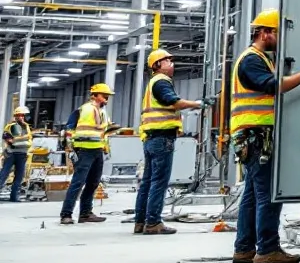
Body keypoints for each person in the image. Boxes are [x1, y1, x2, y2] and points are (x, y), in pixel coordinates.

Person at [230, 9, 300, 263]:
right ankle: (268, 249)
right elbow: (274, 85)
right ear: (264, 32)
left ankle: (244, 248)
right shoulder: (251, 60)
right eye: (277, 33)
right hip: (255, 136)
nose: (281, 39)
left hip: (252, 136)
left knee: (252, 195)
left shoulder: (260, 58)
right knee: (269, 194)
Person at [134, 49, 204, 235]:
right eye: (167, 61)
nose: (172, 64)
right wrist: (198, 104)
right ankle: (153, 222)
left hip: (150, 138)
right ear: (157, 65)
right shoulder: (161, 81)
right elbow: (174, 102)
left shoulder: (152, 83)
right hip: (162, 138)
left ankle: (140, 221)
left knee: (148, 181)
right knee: (159, 182)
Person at [60, 84, 120, 225]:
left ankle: (85, 213)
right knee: (78, 183)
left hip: (97, 150)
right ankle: (66, 214)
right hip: (84, 151)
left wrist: (107, 142)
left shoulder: (103, 112)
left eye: (107, 96)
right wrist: (70, 149)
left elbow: (103, 131)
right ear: (94, 95)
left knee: (93, 183)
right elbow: (68, 130)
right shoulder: (83, 109)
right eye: (104, 95)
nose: (106, 98)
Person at [1, 104, 32, 202]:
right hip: (11, 154)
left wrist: (17, 140)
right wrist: (22, 138)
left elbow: (29, 138)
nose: (21, 117)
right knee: (4, 174)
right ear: (15, 116)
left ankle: (14, 197)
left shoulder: (26, 126)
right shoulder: (10, 126)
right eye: (19, 115)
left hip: (22, 154)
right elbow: (8, 139)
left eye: (23, 115)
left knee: (19, 176)